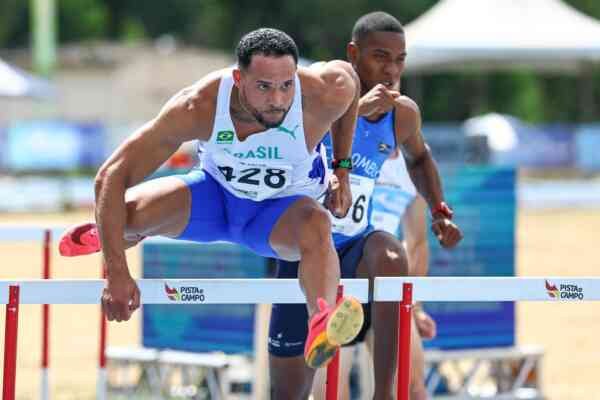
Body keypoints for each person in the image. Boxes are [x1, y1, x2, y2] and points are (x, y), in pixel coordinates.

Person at [58, 28, 365, 369]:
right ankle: (115, 232)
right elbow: (110, 176)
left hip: (280, 213)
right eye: (263, 87)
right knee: (127, 212)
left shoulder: (323, 92)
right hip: (216, 199)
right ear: (238, 78)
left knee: (317, 224)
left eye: (286, 85)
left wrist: (342, 167)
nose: (278, 100)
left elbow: (351, 85)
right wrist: (116, 273)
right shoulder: (199, 106)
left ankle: (320, 322)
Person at [268, 12, 462, 400]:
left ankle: (384, 394)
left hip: (355, 247)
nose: (391, 70)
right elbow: (286, 148)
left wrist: (439, 208)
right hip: (302, 248)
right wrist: (353, 112)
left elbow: (420, 159)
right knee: (291, 391)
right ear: (353, 54)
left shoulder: (402, 113)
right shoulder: (320, 92)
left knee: (391, 253)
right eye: (380, 57)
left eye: (399, 60)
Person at [312, 155, 436, 400]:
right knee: (331, 393)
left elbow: (417, 242)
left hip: (385, 287)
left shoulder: (415, 156)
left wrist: (416, 307)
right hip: (341, 282)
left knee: (413, 388)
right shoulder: (346, 143)